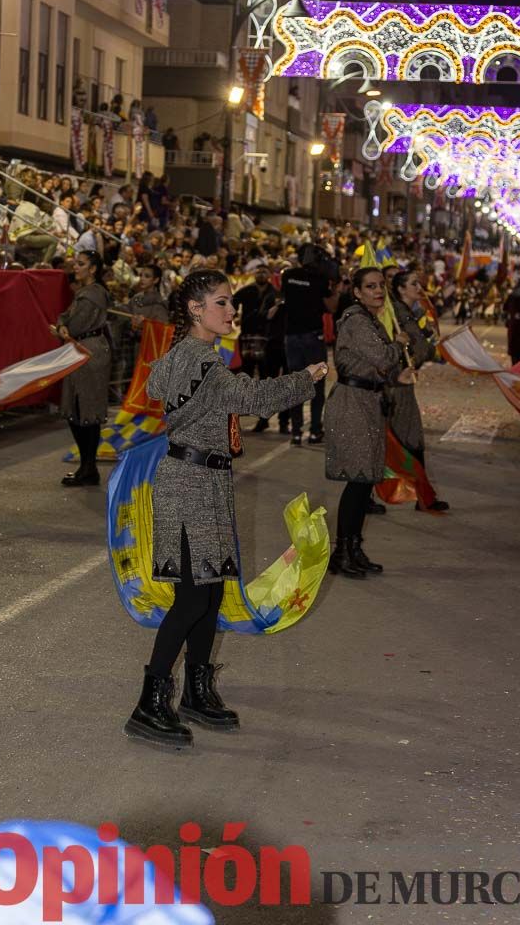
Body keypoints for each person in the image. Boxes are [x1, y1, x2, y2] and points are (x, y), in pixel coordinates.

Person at [124, 268, 326, 749]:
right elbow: (252, 397)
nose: (232, 310)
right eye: (221, 302)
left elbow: (161, 387)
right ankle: (150, 702)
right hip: (190, 485)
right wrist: (306, 378)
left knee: (211, 593)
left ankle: (196, 692)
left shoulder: (186, 354)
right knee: (193, 599)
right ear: (196, 310)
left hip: (203, 481)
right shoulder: (202, 364)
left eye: (230, 301)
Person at [324, 267, 414, 579]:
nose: (378, 291)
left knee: (365, 482)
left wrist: (397, 377)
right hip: (352, 404)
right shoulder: (356, 320)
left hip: (368, 401)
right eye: (371, 286)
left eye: (381, 286)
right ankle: (342, 552)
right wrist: (399, 343)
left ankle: (354, 548)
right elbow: (383, 357)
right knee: (358, 480)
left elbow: (379, 367)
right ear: (357, 292)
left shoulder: (370, 320)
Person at [389, 270, 449, 512]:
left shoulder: (407, 312)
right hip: (397, 384)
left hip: (400, 382)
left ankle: (423, 496)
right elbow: (419, 349)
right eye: (413, 284)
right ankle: (424, 498)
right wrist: (437, 351)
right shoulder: (399, 314)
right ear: (401, 289)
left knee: (398, 439)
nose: (419, 287)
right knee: (408, 439)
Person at [54, 250, 111, 487]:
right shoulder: (86, 293)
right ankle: (87, 467)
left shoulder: (91, 295)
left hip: (89, 353)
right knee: (78, 410)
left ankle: (88, 467)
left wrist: (63, 327)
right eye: (75, 263)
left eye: (81, 263)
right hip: (81, 351)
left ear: (93, 269)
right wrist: (62, 325)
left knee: (85, 411)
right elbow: (65, 317)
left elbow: (73, 323)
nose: (75, 267)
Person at [281, 243, 339, 445]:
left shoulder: (288, 276)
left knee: (296, 383)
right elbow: (331, 307)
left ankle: (296, 432)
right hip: (313, 337)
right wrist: (335, 288)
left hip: (291, 337)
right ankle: (315, 431)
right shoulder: (320, 279)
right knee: (317, 383)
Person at [232, 264, 278, 431]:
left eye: (264, 271)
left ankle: (263, 418)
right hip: (248, 336)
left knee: (265, 376)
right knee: (246, 374)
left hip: (267, 338)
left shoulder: (274, 293)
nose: (261, 274)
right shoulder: (247, 290)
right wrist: (234, 317)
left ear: (269, 274)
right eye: (258, 271)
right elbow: (232, 302)